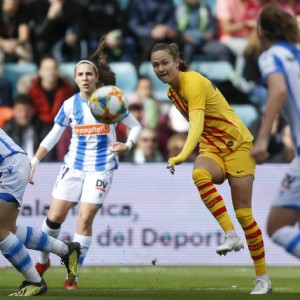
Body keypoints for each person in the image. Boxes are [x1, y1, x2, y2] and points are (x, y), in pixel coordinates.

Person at [150, 42, 272, 294]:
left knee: (244, 215)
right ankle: (230, 235)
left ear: (177, 62)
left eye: (164, 62)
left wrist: (182, 154)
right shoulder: (172, 93)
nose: (160, 68)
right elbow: (201, 128)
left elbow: (196, 125)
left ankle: (263, 279)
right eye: (155, 65)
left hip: (238, 145)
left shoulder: (192, 82)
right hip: (212, 148)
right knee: (199, 174)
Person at [29, 37, 142, 290]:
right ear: (76, 78)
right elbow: (54, 134)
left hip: (101, 168)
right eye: (79, 74)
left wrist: (127, 145)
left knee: (84, 219)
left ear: (95, 78)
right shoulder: (70, 104)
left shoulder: (109, 101)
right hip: (74, 166)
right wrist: (35, 160)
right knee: (54, 218)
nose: (84, 78)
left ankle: (73, 273)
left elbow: (136, 127)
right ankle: (43, 260)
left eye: (88, 73)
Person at [0, 128, 80, 296]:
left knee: (0, 230)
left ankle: (34, 281)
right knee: (8, 229)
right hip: (12, 163)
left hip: (8, 166)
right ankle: (66, 250)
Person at [251, 5, 300, 264]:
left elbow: (279, 90)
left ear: (261, 31)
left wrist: (262, 138)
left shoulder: (272, 56)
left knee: (277, 227)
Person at [3, 94, 56, 161]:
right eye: (20, 111)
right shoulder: (6, 131)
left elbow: (48, 155)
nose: (24, 114)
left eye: (27, 110)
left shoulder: (44, 130)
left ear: (33, 110)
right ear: (13, 111)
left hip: (39, 168)